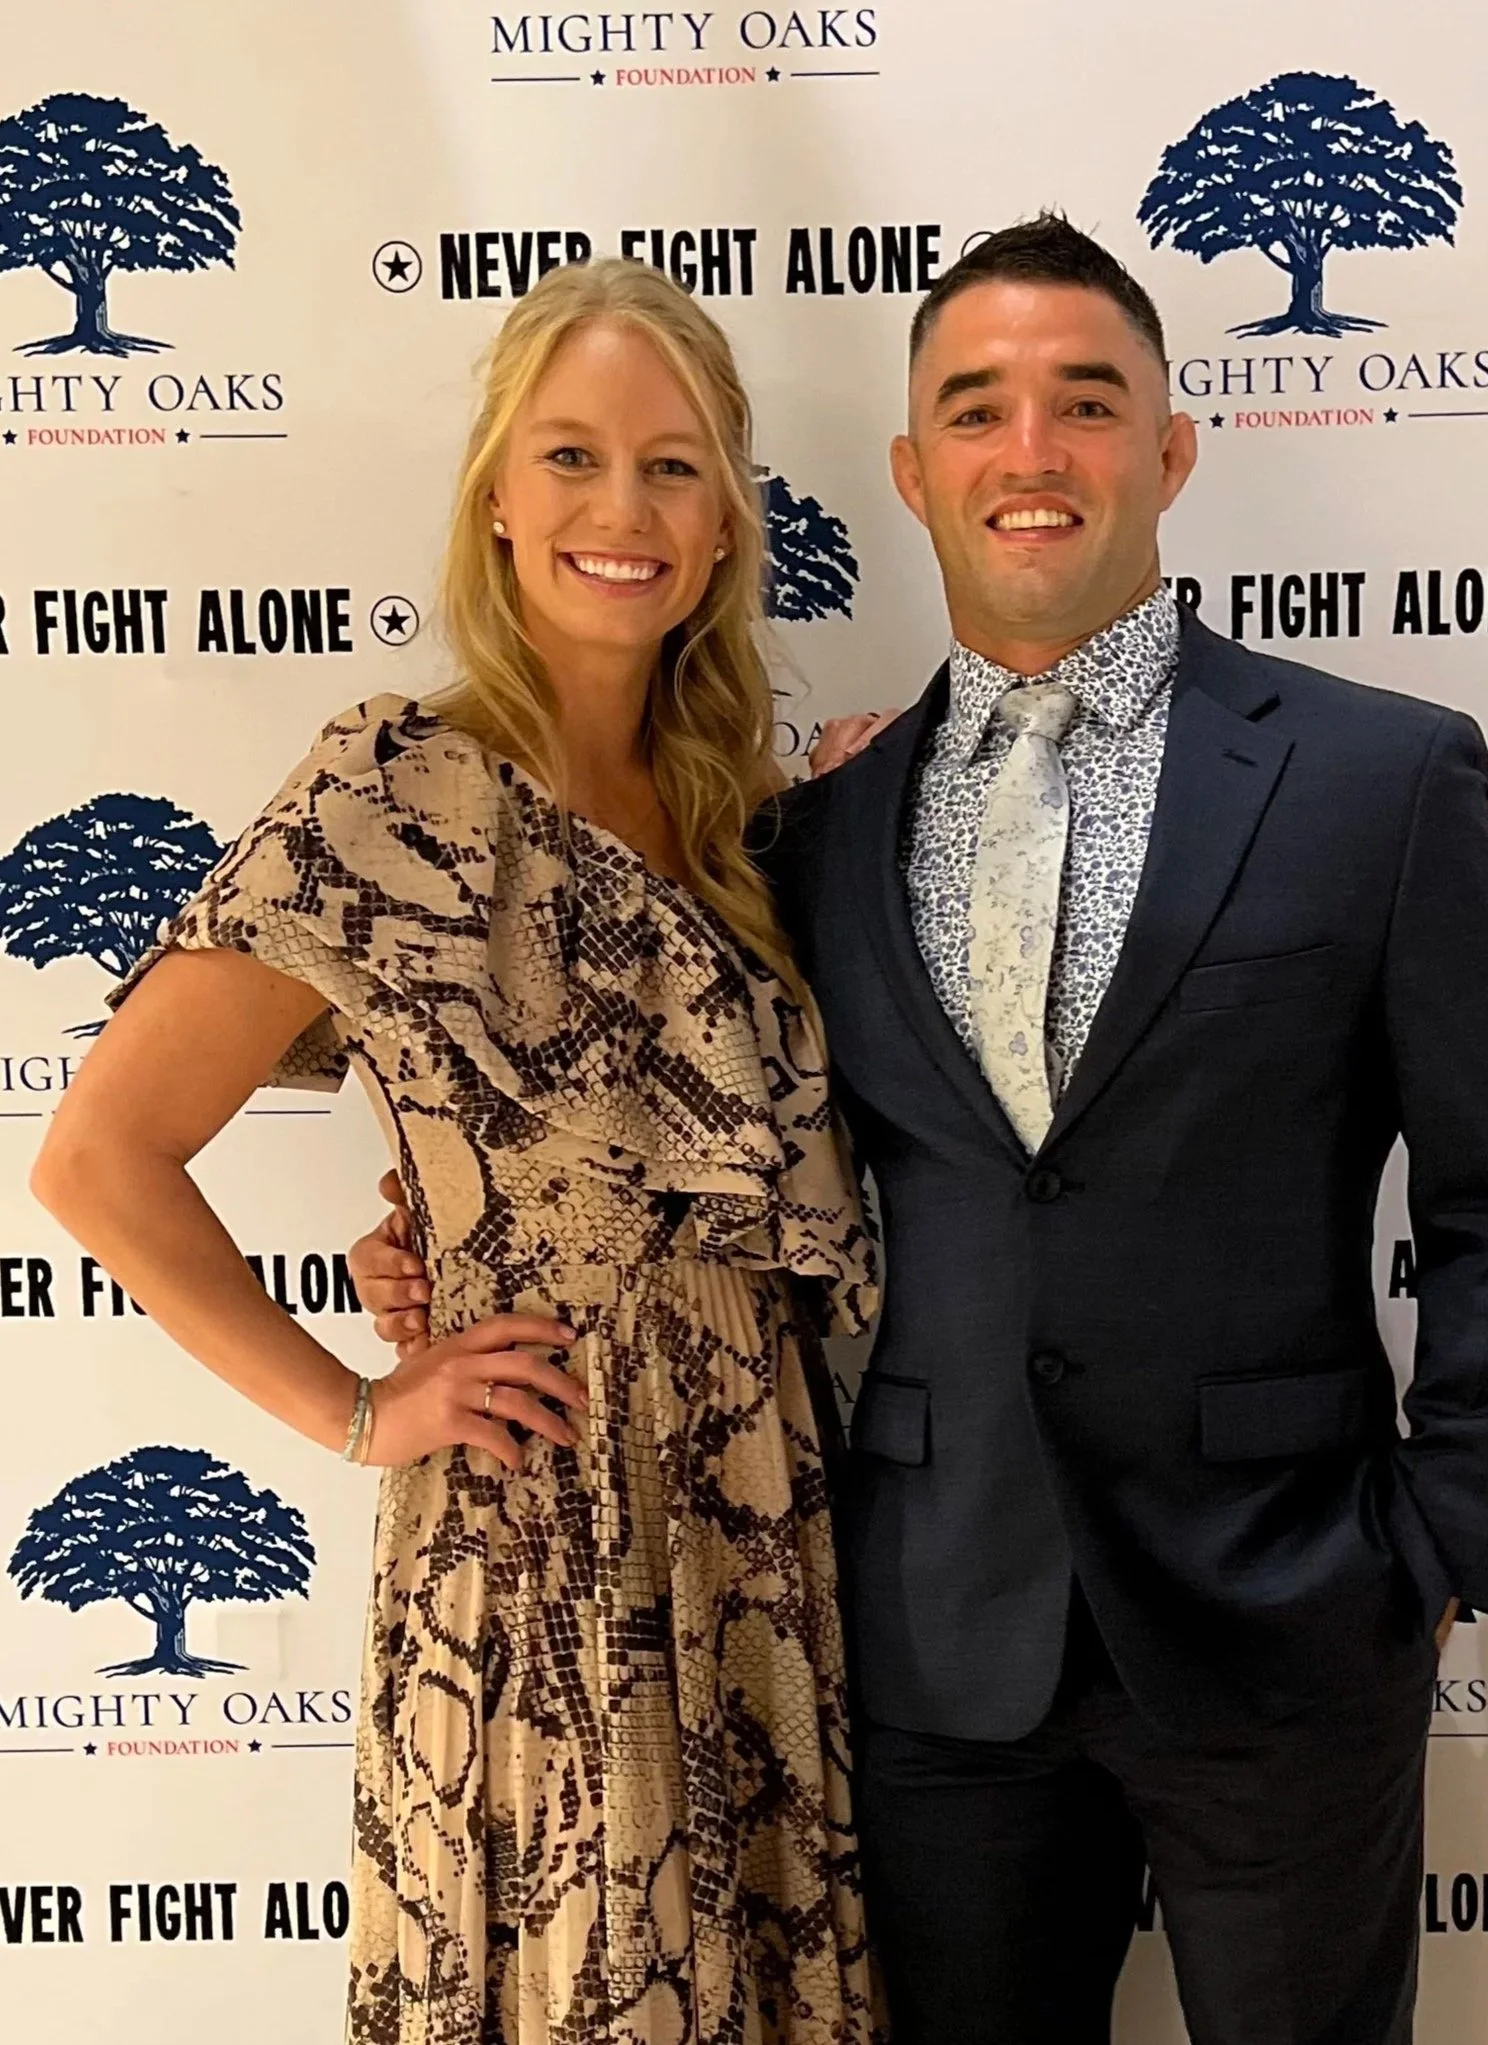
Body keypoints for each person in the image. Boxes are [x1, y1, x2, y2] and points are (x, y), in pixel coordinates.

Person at [348, 216, 1488, 2045]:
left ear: (1169, 450)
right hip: (930, 1641)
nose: (1036, 452)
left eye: (1088, 404)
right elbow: (678, 1151)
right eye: (980, 410)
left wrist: (1435, 1553)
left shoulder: (1380, 780)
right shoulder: (803, 839)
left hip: (1292, 1622)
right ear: (915, 475)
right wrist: (440, 1238)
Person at [31, 260, 878, 2045]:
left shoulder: (747, 825)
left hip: (762, 1532)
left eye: (672, 466)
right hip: (541, 1527)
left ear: (728, 525)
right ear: (498, 500)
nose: (621, 511)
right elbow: (100, 1158)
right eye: (570, 456)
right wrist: (358, 1406)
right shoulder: (392, 794)